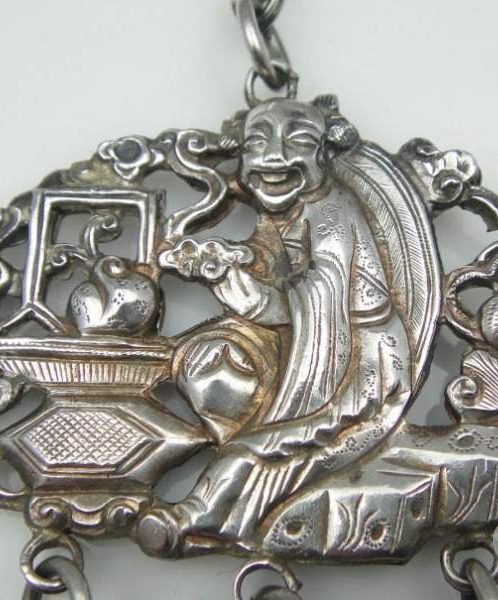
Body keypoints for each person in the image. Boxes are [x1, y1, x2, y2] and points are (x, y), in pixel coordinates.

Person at [139, 97, 412, 557]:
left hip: (363, 367)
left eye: (299, 141)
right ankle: (204, 509)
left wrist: (241, 286)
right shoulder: (292, 208)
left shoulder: (332, 214)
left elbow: (316, 299)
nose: (274, 157)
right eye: (256, 143)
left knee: (267, 448)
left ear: (324, 153)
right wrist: (232, 264)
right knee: (211, 367)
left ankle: (199, 515)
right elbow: (273, 260)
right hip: (310, 343)